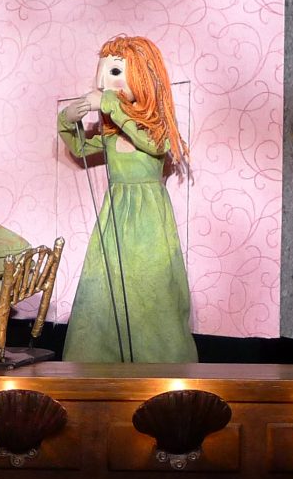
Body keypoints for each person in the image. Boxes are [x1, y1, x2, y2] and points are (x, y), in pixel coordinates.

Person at [57, 35, 197, 363]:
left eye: (115, 72)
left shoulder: (153, 128)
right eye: (103, 73)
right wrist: (68, 119)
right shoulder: (111, 135)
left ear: (142, 76)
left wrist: (109, 104)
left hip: (149, 218)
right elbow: (79, 147)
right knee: (106, 286)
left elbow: (155, 145)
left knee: (151, 285)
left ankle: (160, 359)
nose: (104, 83)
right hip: (116, 215)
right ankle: (99, 358)